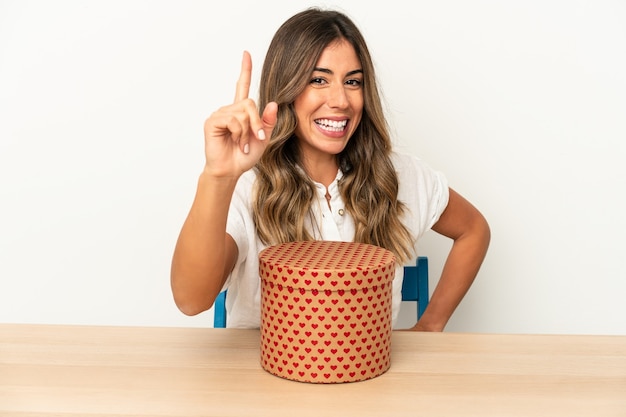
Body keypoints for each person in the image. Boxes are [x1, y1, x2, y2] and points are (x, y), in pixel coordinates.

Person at [170, 7, 490, 331]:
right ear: (287, 89)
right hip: (264, 377)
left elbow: (474, 229)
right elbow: (191, 299)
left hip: (375, 377)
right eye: (318, 80)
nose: (340, 100)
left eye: (353, 81)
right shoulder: (246, 187)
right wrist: (218, 177)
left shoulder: (399, 177)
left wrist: (431, 325)